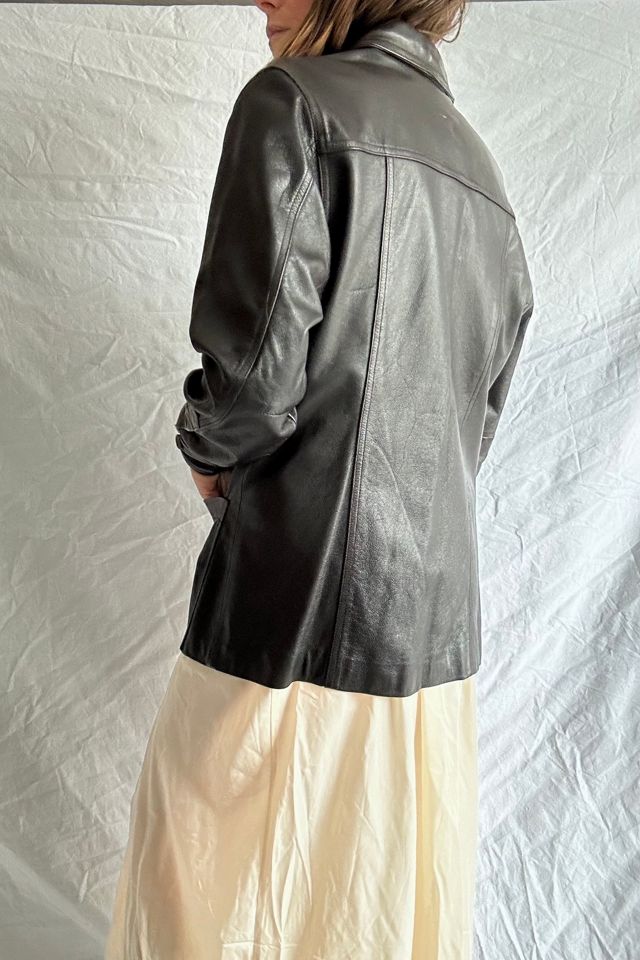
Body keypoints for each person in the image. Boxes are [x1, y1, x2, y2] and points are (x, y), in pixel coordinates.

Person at [105, 0, 534, 957]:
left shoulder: (294, 105)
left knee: (208, 906)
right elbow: (472, 427)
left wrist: (207, 458)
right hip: (433, 653)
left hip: (289, 625)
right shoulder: (484, 177)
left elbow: (253, 384)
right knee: (372, 920)